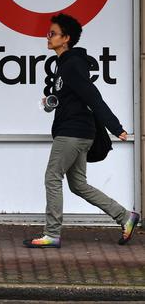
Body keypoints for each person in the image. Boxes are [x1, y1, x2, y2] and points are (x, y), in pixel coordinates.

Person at [23, 13, 140, 248]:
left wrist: (115, 127)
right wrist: (53, 101)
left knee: (52, 177)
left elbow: (92, 96)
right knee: (78, 185)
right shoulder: (64, 64)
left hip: (72, 133)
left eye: (52, 33)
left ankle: (52, 234)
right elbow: (73, 96)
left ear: (65, 38)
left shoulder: (72, 65)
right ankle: (125, 217)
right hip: (78, 131)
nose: (48, 36)